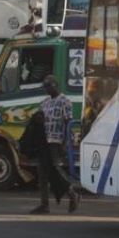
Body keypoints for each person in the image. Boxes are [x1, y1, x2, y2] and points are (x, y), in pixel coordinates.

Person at [29, 74, 78, 214]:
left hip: (57, 141)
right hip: (45, 141)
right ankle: (44, 205)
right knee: (42, 173)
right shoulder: (44, 102)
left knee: (56, 170)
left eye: (48, 86)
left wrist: (65, 142)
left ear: (55, 85)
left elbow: (68, 122)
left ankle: (72, 193)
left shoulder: (65, 101)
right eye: (45, 86)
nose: (46, 89)